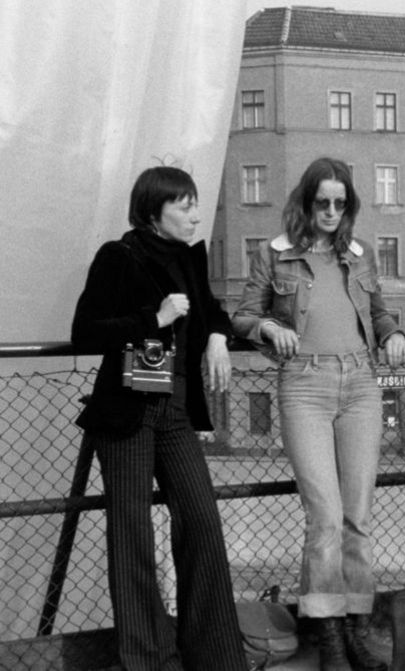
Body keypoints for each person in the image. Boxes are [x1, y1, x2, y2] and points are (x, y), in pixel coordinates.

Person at [233, 157, 405, 671]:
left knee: (357, 516)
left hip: (360, 384)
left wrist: (394, 332)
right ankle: (329, 636)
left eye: (340, 203)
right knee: (325, 517)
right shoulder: (276, 255)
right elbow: (243, 314)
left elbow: (378, 312)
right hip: (303, 386)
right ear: (306, 204)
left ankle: (359, 629)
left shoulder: (359, 254)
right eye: (322, 202)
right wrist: (267, 328)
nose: (332, 211)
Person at [70, 166, 246, 671]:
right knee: (133, 538)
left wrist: (217, 334)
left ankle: (215, 657)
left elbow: (210, 309)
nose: (196, 214)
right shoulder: (119, 256)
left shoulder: (190, 255)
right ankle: (149, 660)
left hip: (175, 410)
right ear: (153, 211)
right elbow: (85, 332)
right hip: (128, 409)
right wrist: (156, 319)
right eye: (184, 205)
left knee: (202, 523)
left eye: (195, 204)